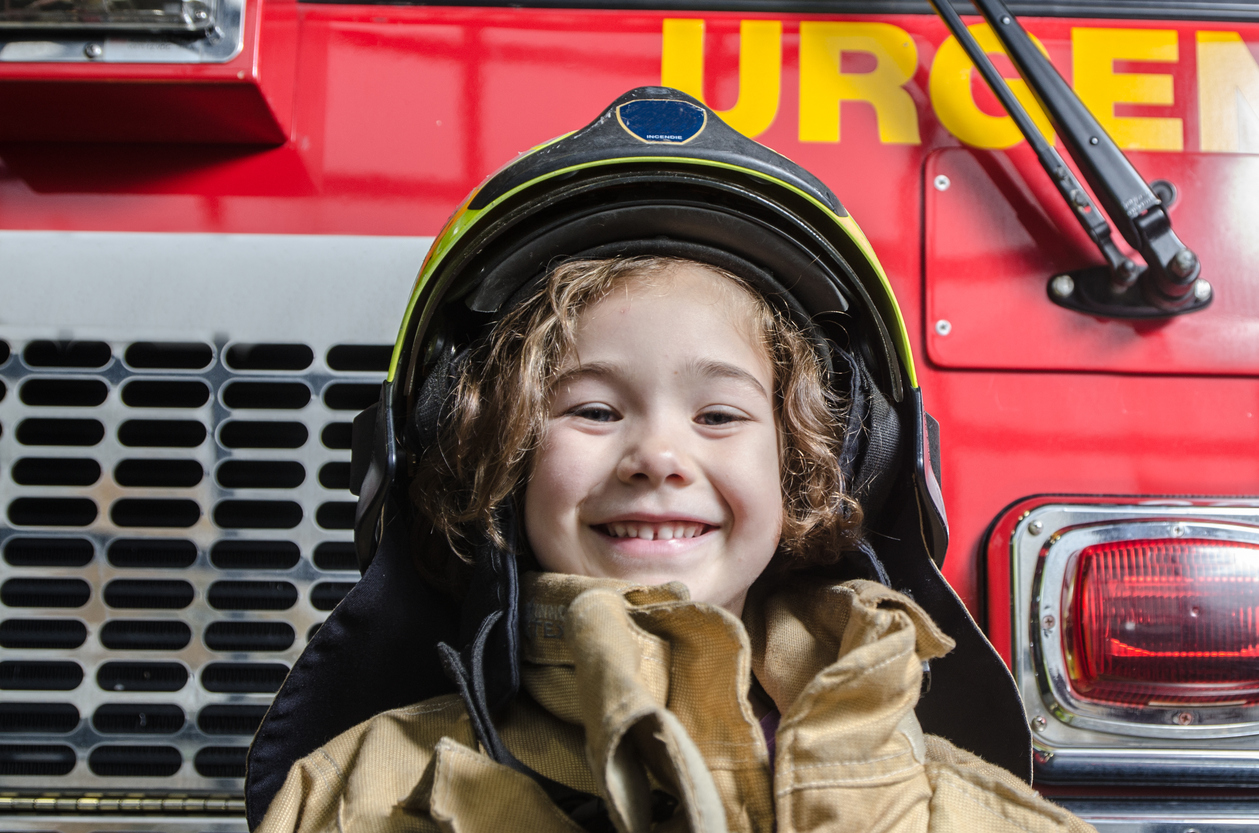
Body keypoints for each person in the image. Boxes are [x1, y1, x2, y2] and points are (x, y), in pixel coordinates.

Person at [246, 88, 1095, 833]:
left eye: (719, 414)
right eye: (592, 409)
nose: (656, 454)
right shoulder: (360, 795)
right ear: (485, 458)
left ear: (818, 467)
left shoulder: (951, 811)